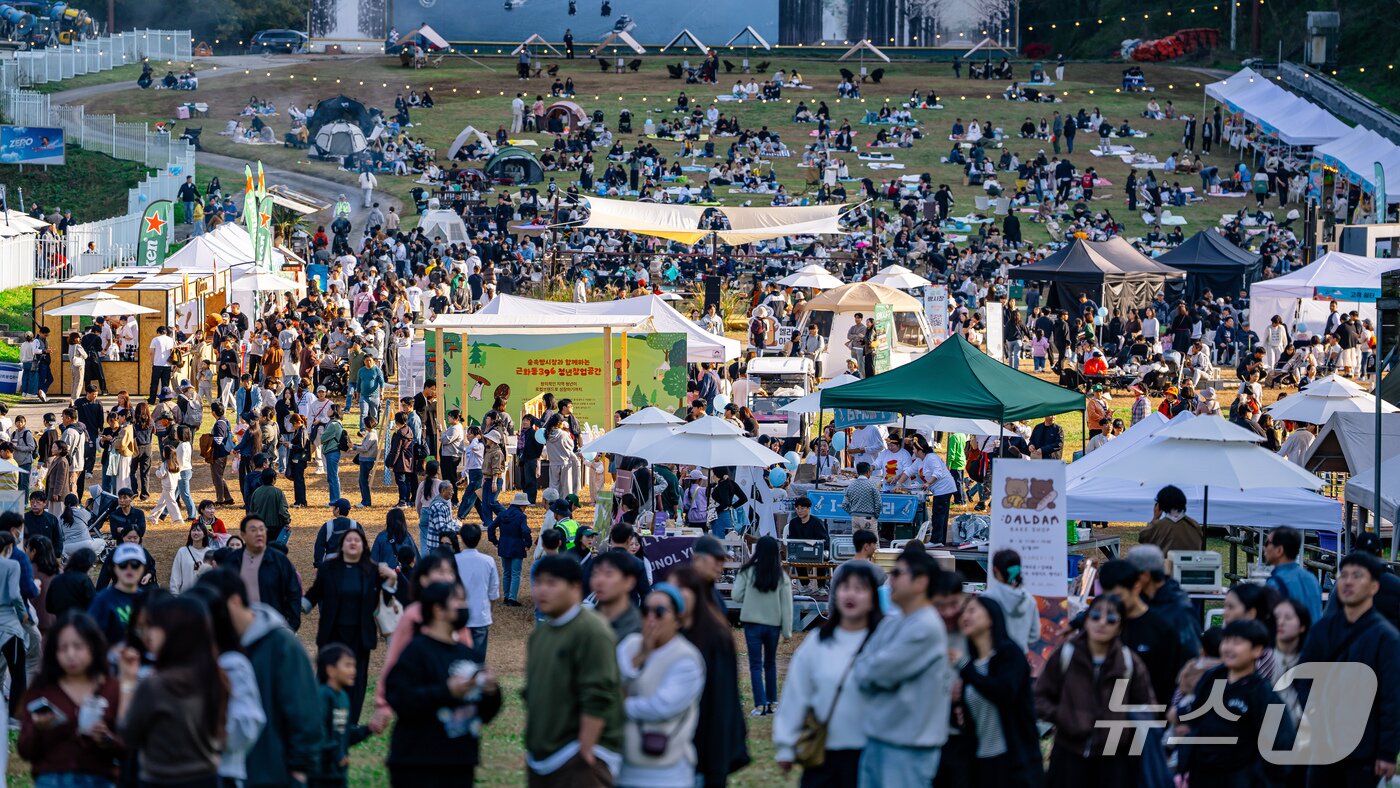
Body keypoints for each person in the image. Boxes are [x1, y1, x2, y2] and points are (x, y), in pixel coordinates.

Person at [195, 568, 321, 788]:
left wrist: (299, 772)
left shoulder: (282, 644)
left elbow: (305, 714)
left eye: (214, 611)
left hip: (274, 774)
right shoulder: (215, 647)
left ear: (234, 601)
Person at [773, 561, 882, 785]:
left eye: (859, 588)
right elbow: (796, 692)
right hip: (824, 753)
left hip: (873, 754)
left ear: (873, 597)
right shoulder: (818, 641)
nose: (851, 594)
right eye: (845, 587)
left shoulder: (884, 641)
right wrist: (785, 744)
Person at [383, 580, 501, 786]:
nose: (464, 606)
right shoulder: (415, 652)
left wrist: (492, 692)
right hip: (419, 764)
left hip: (460, 762)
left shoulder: (468, 654)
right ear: (438, 610)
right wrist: (446, 691)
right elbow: (399, 698)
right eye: (458, 601)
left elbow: (484, 713)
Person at [1298, 551, 1400, 787]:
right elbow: (1302, 677)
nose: (1348, 581)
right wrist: (1314, 712)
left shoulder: (1386, 638)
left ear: (1374, 587)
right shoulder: (1322, 630)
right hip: (1323, 741)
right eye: (1344, 575)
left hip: (1364, 747)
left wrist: (1387, 751)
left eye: (1357, 576)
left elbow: (1392, 698)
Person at [1035, 593, 1155, 787]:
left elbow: (1146, 707)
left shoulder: (1128, 662)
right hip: (1068, 753)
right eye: (1096, 616)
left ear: (1120, 626)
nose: (1102, 623)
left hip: (1113, 760)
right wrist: (1063, 716)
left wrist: (1122, 729)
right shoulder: (1066, 655)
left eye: (1111, 618)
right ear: (1086, 620)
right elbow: (1040, 697)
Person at [854, 549, 950, 788]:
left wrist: (871, 668)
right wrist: (871, 668)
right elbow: (861, 667)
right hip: (879, 738)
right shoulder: (892, 623)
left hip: (909, 748)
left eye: (897, 573)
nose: (891, 579)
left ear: (921, 582)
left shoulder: (926, 627)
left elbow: (876, 671)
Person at [524, 555, 625, 785]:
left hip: (578, 758)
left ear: (575, 587)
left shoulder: (592, 631)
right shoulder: (540, 635)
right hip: (543, 757)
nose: (542, 590)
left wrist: (586, 751)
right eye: (538, 583)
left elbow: (598, 695)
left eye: (551, 583)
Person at [119, 595, 229, 788]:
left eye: (155, 626)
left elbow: (128, 735)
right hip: (208, 778)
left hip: (161, 781)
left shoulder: (155, 686)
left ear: (172, 631)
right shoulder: (215, 678)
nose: (148, 634)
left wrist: (127, 683)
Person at [1177, 619, 1295, 788]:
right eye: (1226, 641)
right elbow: (1195, 718)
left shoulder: (1262, 694)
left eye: (1237, 642)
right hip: (1201, 776)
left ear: (1257, 650)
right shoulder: (1211, 678)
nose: (1228, 648)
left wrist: (1257, 779)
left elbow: (1281, 745)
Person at [17, 612, 125, 785]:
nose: (70, 654)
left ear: (93, 647)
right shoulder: (43, 689)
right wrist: (38, 729)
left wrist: (106, 739)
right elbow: (24, 750)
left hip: (99, 779)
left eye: (78, 646)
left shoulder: (111, 688)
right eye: (63, 648)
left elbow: (129, 748)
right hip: (52, 779)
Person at [615, 583, 706, 787]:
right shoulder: (630, 645)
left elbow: (662, 706)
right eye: (645, 611)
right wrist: (639, 658)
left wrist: (618, 705)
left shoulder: (686, 658)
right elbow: (611, 684)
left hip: (668, 773)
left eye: (660, 612)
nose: (651, 618)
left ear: (678, 619)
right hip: (624, 768)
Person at [304, 526, 397, 722]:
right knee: (327, 676)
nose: (353, 543)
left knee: (357, 679)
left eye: (357, 540)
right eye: (349, 540)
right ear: (342, 546)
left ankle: (350, 723)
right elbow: (314, 593)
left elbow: (386, 600)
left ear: (363, 546)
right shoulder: (328, 569)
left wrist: (392, 578)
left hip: (360, 636)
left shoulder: (372, 570)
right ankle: (322, 719)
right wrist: (296, 607)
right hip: (332, 634)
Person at [668, 566, 750, 786]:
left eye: (681, 589)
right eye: (671, 589)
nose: (674, 596)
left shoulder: (714, 636)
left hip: (707, 742)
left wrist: (717, 766)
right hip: (674, 745)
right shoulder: (669, 634)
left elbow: (722, 702)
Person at [953, 596, 1044, 787]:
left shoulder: (1009, 654)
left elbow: (1003, 692)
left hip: (1013, 762)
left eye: (972, 610)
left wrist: (965, 667)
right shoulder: (971, 665)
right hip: (981, 762)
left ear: (991, 618)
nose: (965, 616)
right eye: (963, 612)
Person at [1096, 559, 1187, 708]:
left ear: (1136, 587)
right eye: (1107, 597)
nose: (1112, 604)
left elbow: (1170, 681)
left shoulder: (1162, 629)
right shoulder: (1102, 626)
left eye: (1118, 597)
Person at [731, 536, 792, 717]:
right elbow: (787, 606)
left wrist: (750, 597)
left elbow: (736, 596)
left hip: (752, 625)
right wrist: (787, 631)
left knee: (755, 665)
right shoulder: (781, 576)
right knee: (770, 663)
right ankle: (773, 703)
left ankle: (760, 705)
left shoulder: (747, 572)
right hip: (773, 625)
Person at [312, 644, 371, 787]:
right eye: (348, 665)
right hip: (320, 774)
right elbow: (317, 734)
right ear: (331, 670)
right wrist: (335, 755)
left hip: (338, 772)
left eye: (354, 666)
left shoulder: (343, 697)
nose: (353, 671)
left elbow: (343, 733)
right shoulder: (323, 696)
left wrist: (369, 729)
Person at [230, 515, 303, 631]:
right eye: (253, 530)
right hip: (240, 628)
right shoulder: (232, 561)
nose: (259, 533)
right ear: (243, 534)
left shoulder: (279, 561)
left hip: (273, 627)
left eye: (262, 529)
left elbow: (293, 593)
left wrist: (292, 625)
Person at [87, 541, 147, 648]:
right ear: (114, 568)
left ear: (143, 568)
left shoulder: (148, 600)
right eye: (123, 564)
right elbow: (90, 639)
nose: (129, 569)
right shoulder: (102, 601)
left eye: (135, 564)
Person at [1263, 525, 1322, 623]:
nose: (1264, 547)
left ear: (1279, 550)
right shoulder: (1311, 578)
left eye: (1267, 543)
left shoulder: (1276, 583)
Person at [981, 549, 1037, 651]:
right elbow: (1034, 635)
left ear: (995, 570)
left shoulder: (986, 598)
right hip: (1020, 656)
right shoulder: (1029, 599)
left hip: (994, 655)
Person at [490, 491, 532, 606]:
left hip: (504, 546)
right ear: (521, 505)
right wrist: (528, 543)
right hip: (517, 547)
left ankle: (506, 597)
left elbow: (491, 527)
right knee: (515, 573)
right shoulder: (521, 516)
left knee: (506, 572)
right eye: (525, 506)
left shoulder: (502, 514)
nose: (525, 508)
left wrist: (495, 541)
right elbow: (525, 530)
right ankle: (512, 599)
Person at [590, 549, 642, 641]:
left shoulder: (639, 629)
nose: (599, 581)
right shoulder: (584, 622)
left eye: (608, 574)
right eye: (595, 574)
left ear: (629, 582)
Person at [1139, 484, 1203, 553]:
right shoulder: (1195, 525)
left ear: (1160, 505)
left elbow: (1143, 538)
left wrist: (1155, 517)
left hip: (1166, 560)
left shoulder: (1158, 525)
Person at [46, 546, 96, 619]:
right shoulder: (84, 580)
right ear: (88, 565)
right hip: (80, 622)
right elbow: (94, 606)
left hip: (61, 621)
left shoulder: (56, 579)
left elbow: (49, 607)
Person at [170, 521, 213, 594]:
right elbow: (176, 575)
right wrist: (174, 594)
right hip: (186, 595)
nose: (195, 533)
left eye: (198, 530)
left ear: (204, 534)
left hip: (204, 595)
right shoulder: (182, 551)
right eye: (193, 530)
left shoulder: (210, 552)